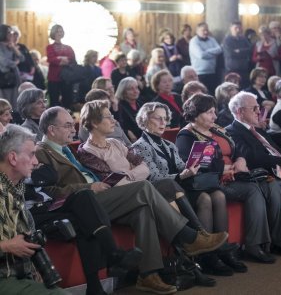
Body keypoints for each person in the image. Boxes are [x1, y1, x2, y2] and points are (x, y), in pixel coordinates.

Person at [35, 106, 228, 294]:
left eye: (72, 124)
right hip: (83, 202)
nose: (73, 128)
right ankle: (188, 237)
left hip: (101, 194)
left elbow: (143, 168)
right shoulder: (41, 152)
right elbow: (48, 191)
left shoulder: (67, 150)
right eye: (68, 125)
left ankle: (149, 275)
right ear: (52, 130)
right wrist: (89, 187)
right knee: (145, 187)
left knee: (143, 210)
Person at [176, 94, 281, 263]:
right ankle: (253, 245)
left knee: (269, 183)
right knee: (253, 190)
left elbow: (237, 150)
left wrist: (240, 160)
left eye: (214, 112)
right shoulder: (186, 135)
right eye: (210, 112)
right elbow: (193, 165)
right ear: (197, 113)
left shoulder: (216, 129)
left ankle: (275, 241)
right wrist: (224, 167)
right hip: (214, 182)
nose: (215, 116)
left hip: (236, 175)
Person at [132, 102, 247, 275]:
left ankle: (223, 252)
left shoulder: (169, 145)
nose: (163, 123)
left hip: (182, 188)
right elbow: (153, 178)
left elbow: (181, 167)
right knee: (205, 198)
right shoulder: (139, 147)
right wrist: (182, 175)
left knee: (218, 195)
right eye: (157, 118)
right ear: (144, 120)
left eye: (165, 119)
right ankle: (207, 257)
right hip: (163, 194)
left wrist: (194, 166)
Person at [0, 124, 65, 295]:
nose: (36, 162)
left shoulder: (17, 189)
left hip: (20, 276)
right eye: (32, 154)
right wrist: (6, 246)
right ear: (13, 158)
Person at [226, 91, 281, 230]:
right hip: (268, 177)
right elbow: (250, 157)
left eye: (258, 107)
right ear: (240, 111)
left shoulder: (257, 130)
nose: (258, 111)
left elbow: (278, 150)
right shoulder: (231, 131)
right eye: (254, 108)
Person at [46, 24, 76, 108]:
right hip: (54, 78)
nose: (59, 33)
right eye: (57, 31)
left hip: (67, 77)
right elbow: (51, 59)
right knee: (54, 100)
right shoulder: (49, 47)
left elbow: (72, 59)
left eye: (61, 31)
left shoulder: (68, 47)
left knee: (67, 100)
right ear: (53, 33)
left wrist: (58, 58)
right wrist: (63, 59)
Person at [189, 22, 222, 95]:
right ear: (197, 31)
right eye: (203, 30)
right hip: (199, 74)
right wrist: (213, 53)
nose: (206, 32)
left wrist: (206, 51)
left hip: (212, 72)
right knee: (202, 95)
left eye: (207, 30)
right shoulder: (194, 41)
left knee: (213, 95)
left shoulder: (212, 39)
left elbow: (219, 50)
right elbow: (201, 55)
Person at [0, 24, 24, 110]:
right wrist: (15, 63)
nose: (11, 34)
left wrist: (14, 47)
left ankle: (14, 120)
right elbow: (4, 62)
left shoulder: (11, 46)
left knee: (15, 102)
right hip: (4, 77)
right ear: (3, 33)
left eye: (12, 32)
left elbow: (22, 58)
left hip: (15, 76)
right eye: (9, 32)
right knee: (6, 102)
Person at [222, 21, 251, 89]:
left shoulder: (243, 39)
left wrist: (239, 51)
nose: (238, 30)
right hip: (232, 70)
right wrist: (243, 51)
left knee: (244, 88)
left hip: (243, 69)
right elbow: (231, 54)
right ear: (231, 29)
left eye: (239, 28)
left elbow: (250, 50)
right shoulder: (227, 40)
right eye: (236, 28)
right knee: (232, 88)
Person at [115, 77, 142, 142]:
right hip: (129, 141)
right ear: (123, 91)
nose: (135, 91)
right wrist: (127, 132)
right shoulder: (118, 106)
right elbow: (117, 126)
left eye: (136, 87)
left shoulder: (141, 103)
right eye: (131, 89)